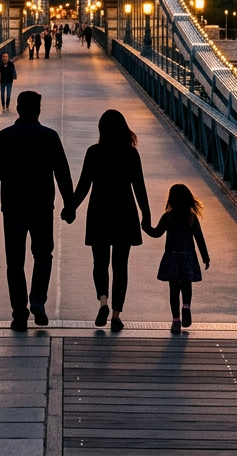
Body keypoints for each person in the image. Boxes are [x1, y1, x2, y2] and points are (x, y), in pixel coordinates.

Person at [0, 90, 74, 331]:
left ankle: (19, 312)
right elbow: (62, 173)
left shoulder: (4, 137)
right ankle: (37, 301)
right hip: (42, 206)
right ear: (38, 110)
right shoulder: (50, 137)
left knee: (15, 261)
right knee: (43, 255)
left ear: (17, 107)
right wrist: (69, 204)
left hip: (12, 207)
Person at [66, 109, 151, 333]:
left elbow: (83, 186)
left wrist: (70, 208)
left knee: (100, 262)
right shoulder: (131, 154)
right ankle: (116, 316)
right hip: (125, 213)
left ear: (101, 129)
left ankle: (103, 302)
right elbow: (139, 188)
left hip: (99, 213)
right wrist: (147, 216)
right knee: (120, 266)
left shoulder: (94, 152)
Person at [145, 183, 210, 334]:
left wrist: (145, 226)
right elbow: (199, 238)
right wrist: (205, 257)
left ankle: (176, 321)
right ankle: (186, 306)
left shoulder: (168, 217)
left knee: (174, 290)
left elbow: (157, 233)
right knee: (186, 285)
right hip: (188, 255)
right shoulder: (191, 217)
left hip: (172, 256)